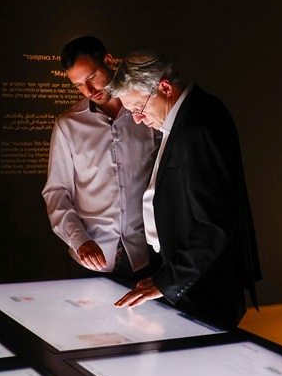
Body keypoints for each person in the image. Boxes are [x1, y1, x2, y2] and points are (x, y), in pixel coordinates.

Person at [107, 50, 260, 329]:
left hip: (202, 284)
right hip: (183, 272)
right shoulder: (185, 116)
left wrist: (167, 282)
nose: (138, 120)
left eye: (138, 109)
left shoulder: (199, 126)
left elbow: (214, 223)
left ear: (164, 87)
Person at [42, 36, 161, 287]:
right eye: (79, 85)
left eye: (92, 77)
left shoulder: (147, 114)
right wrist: (79, 240)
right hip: (88, 261)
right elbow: (57, 191)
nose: (90, 90)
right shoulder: (67, 125)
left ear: (108, 61)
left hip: (145, 257)